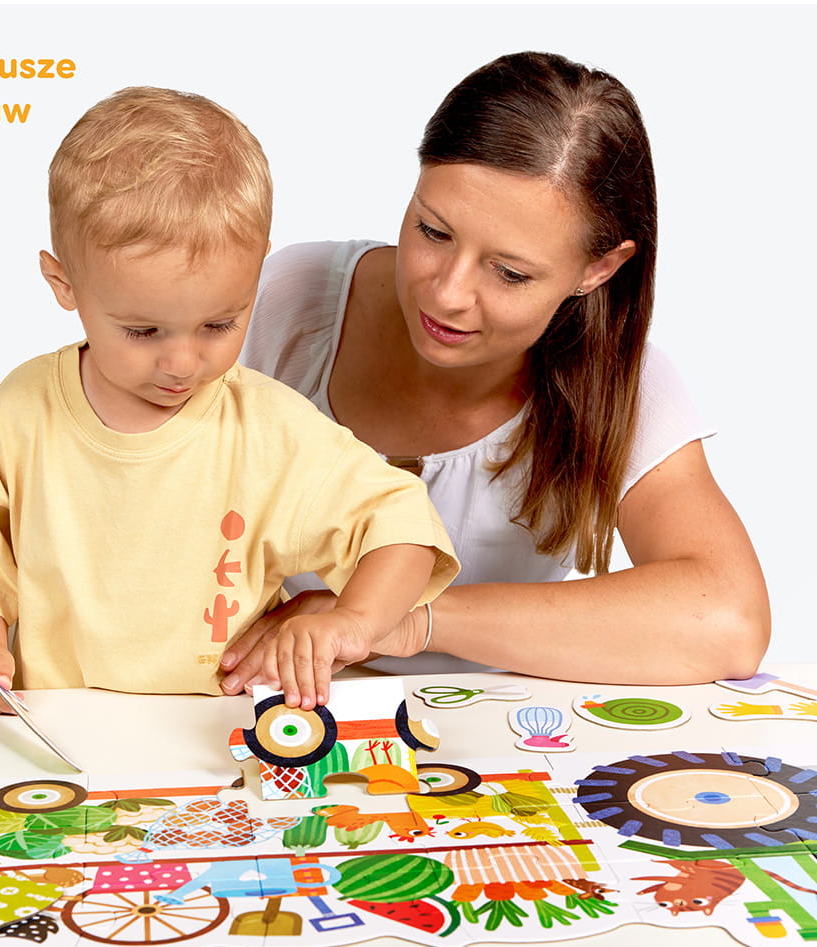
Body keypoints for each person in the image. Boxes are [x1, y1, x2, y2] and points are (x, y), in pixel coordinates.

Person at [219, 51, 769, 692]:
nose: (447, 293)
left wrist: (406, 621)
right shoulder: (289, 300)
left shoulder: (621, 382)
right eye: (433, 231)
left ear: (598, 269)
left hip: (490, 730)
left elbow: (728, 622)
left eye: (509, 272)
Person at [0, 87, 458, 716]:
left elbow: (400, 525)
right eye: (143, 331)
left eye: (218, 324)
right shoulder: (20, 413)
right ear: (63, 283)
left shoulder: (271, 429)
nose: (183, 363)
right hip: (63, 727)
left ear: (255, 276)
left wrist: (354, 622)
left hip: (224, 733)